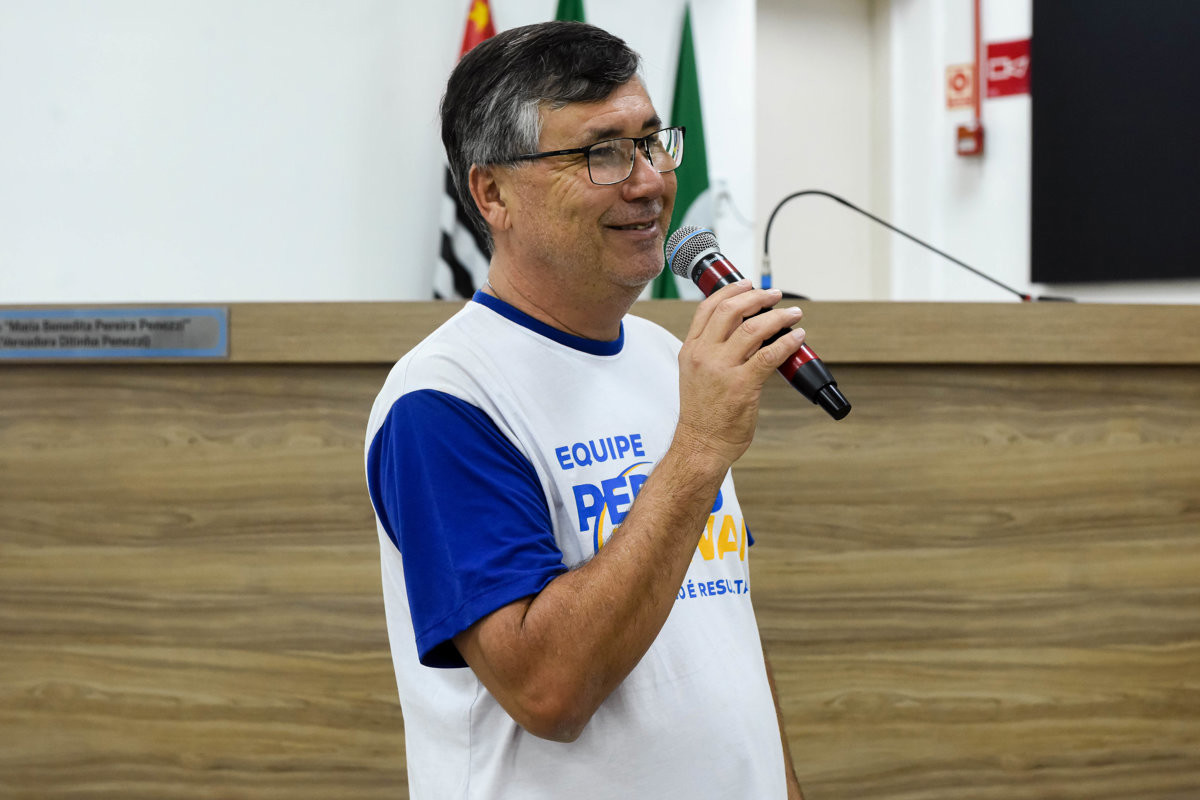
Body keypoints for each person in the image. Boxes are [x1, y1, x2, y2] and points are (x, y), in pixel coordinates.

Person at [365, 21, 806, 800]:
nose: (646, 181)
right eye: (601, 153)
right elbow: (548, 692)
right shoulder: (444, 399)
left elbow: (721, 626)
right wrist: (699, 448)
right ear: (491, 192)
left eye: (650, 142)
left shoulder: (666, 359)